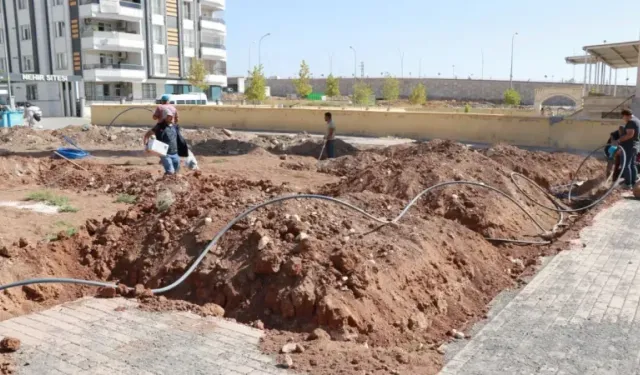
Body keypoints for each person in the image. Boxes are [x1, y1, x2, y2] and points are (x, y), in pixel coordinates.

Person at [144, 106, 181, 175]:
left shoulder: (175, 126)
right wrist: (146, 145)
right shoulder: (159, 126)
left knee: (176, 171)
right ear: (164, 117)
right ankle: (165, 184)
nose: (170, 117)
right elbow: (147, 135)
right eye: (168, 116)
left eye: (171, 116)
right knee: (170, 171)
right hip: (165, 153)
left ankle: (165, 182)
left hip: (175, 153)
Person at [617, 109, 640, 188]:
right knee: (632, 165)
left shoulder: (631, 122)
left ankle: (628, 184)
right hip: (635, 146)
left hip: (628, 146)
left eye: (623, 117)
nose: (623, 118)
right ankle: (633, 183)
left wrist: (619, 140)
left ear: (626, 115)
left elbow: (630, 135)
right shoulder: (637, 120)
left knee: (626, 165)